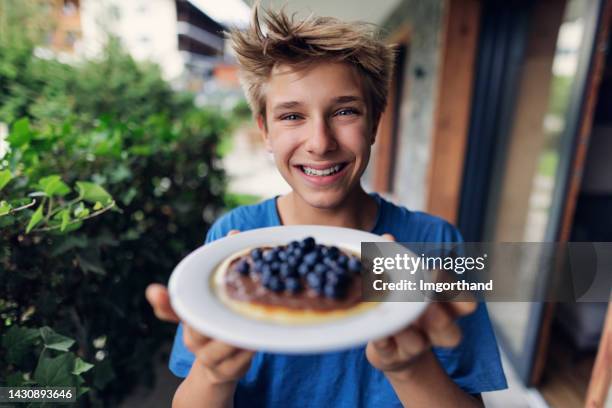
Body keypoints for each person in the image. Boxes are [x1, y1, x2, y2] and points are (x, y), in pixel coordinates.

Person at [146, 3, 507, 407]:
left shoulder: (439, 242)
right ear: (265, 130)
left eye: (345, 111)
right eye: (292, 116)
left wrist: (409, 367)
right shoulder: (234, 243)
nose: (320, 142)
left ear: (374, 121)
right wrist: (212, 374)